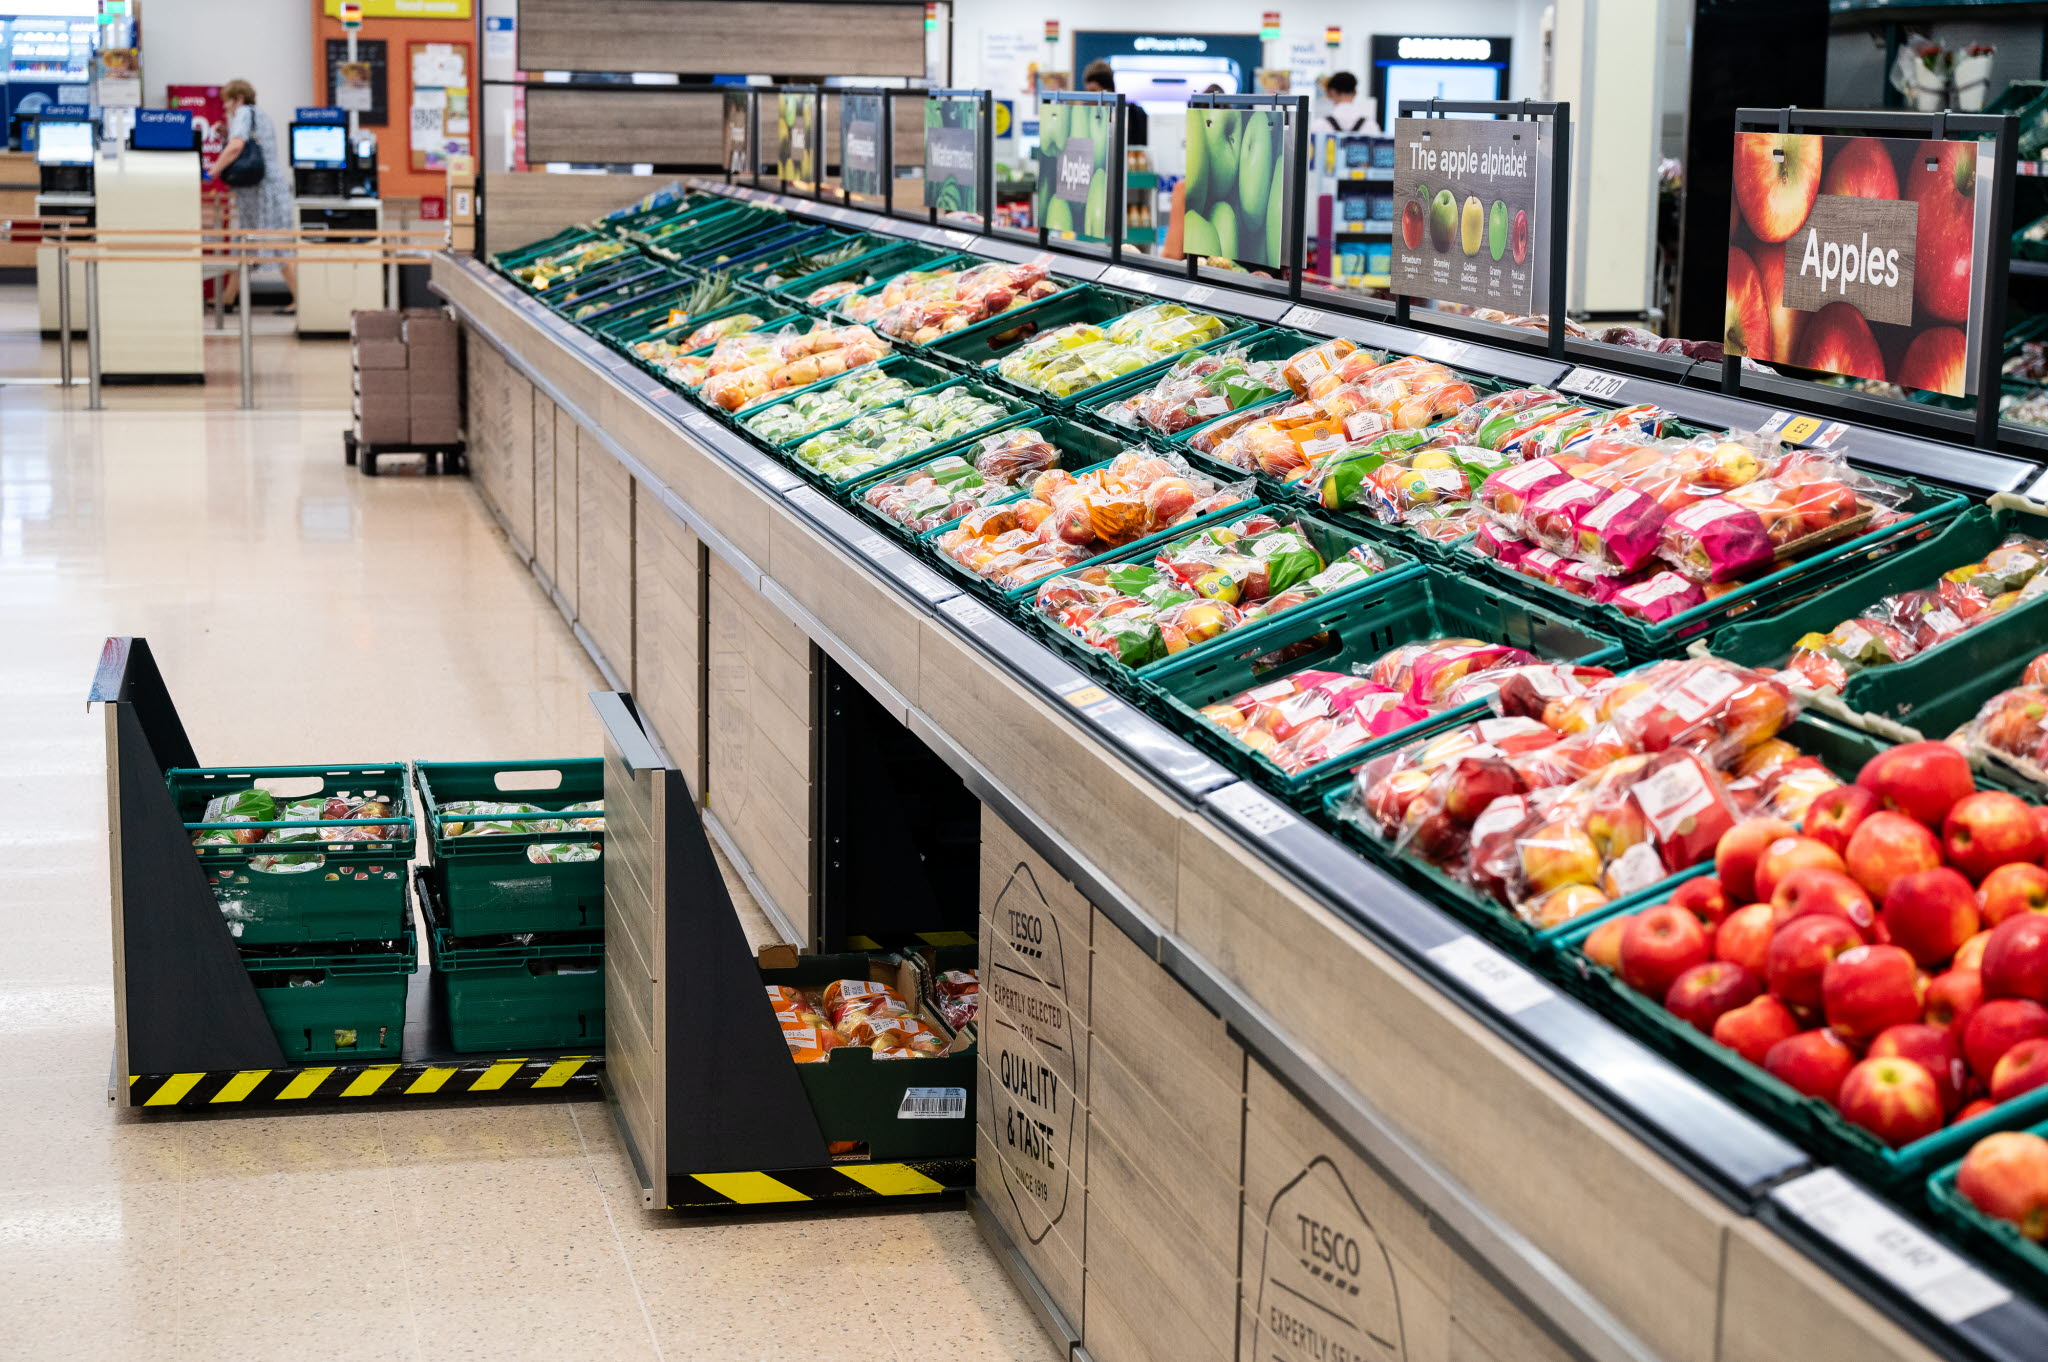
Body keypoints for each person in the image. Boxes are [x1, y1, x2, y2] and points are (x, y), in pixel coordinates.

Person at [209, 79, 296, 311]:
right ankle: (227, 299)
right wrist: (226, 133)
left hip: (263, 192)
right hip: (263, 190)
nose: (225, 106)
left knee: (275, 244)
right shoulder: (260, 115)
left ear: (238, 99)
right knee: (246, 243)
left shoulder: (244, 112)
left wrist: (214, 170)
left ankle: (301, 300)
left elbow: (237, 146)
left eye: (227, 100)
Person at [1083, 59, 1147, 149]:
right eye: (1088, 92)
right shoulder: (1085, 114)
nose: (1090, 98)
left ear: (1109, 90)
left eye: (1093, 91)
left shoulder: (1134, 114)